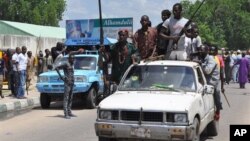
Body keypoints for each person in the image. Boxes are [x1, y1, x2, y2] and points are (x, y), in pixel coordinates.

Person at [55, 49, 84, 119]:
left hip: (72, 82)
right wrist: (62, 77)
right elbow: (56, 68)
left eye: (74, 58)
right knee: (66, 98)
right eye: (72, 58)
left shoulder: (72, 64)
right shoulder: (66, 63)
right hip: (67, 82)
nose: (73, 59)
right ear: (69, 58)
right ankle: (65, 113)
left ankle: (69, 111)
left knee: (71, 98)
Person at [199, 44, 222, 120]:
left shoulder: (211, 59)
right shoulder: (200, 58)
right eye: (199, 50)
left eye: (202, 50)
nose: (200, 51)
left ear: (207, 51)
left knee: (217, 94)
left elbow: (207, 71)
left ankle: (218, 111)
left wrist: (200, 63)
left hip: (212, 81)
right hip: (203, 81)